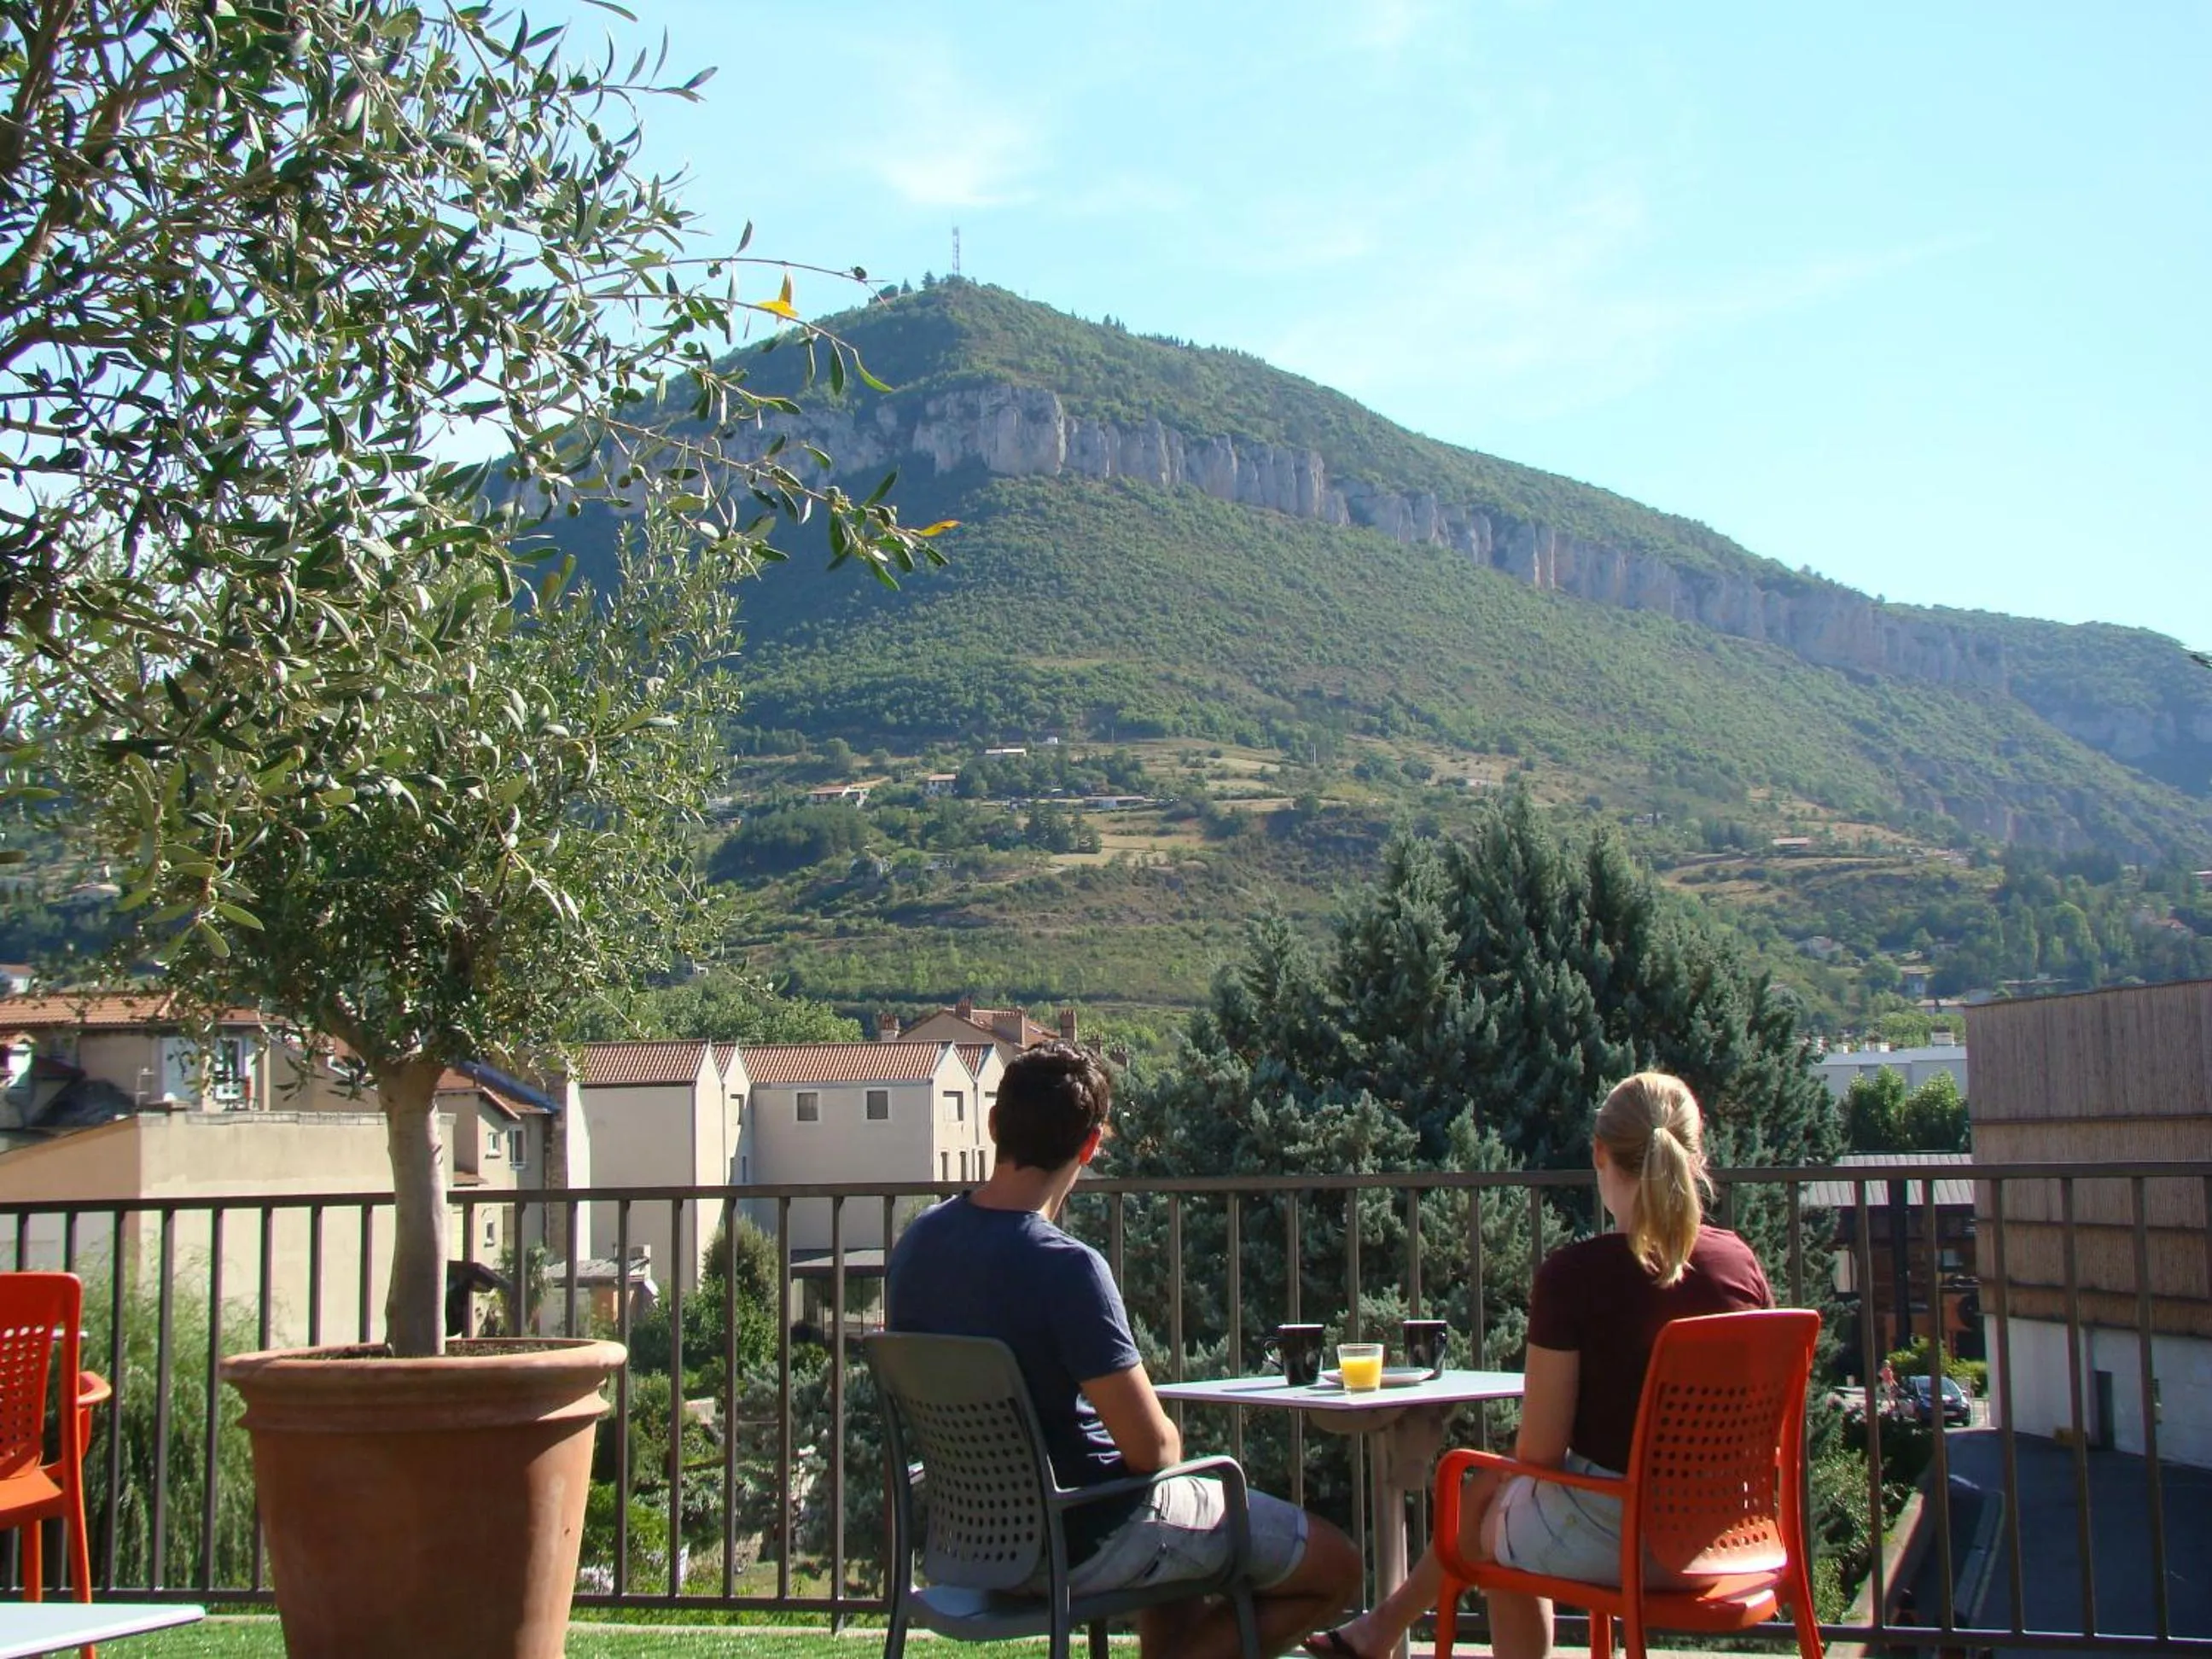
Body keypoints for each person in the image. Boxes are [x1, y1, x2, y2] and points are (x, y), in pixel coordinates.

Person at [888, 1041, 1361, 1659]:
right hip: (1081, 1538)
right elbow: (1152, 1449)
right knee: (1335, 1565)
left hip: (968, 1544)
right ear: (1090, 1146)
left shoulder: (918, 1244)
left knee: (1180, 1533)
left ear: (994, 1123)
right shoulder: (1067, 1269)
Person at [1305, 1072, 1773, 1659]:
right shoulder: (1740, 1265)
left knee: (1487, 1512)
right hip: (1739, 1535)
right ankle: (1378, 1630)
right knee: (1491, 1493)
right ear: (1695, 1153)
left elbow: (1540, 1455)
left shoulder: (1575, 1277)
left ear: (1599, 1155)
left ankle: (1380, 1629)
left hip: (1625, 1539)